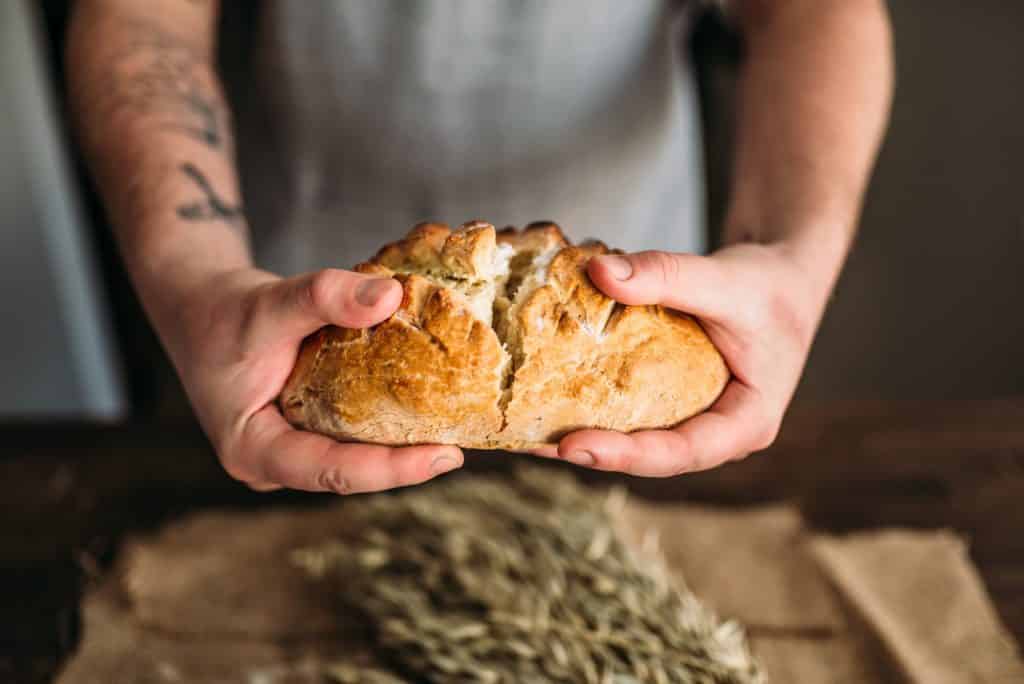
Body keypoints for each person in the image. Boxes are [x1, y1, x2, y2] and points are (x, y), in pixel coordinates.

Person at [67, 0, 892, 494]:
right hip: (279, 325)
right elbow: (144, 16)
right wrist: (193, 274)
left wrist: (789, 260)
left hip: (631, 342)